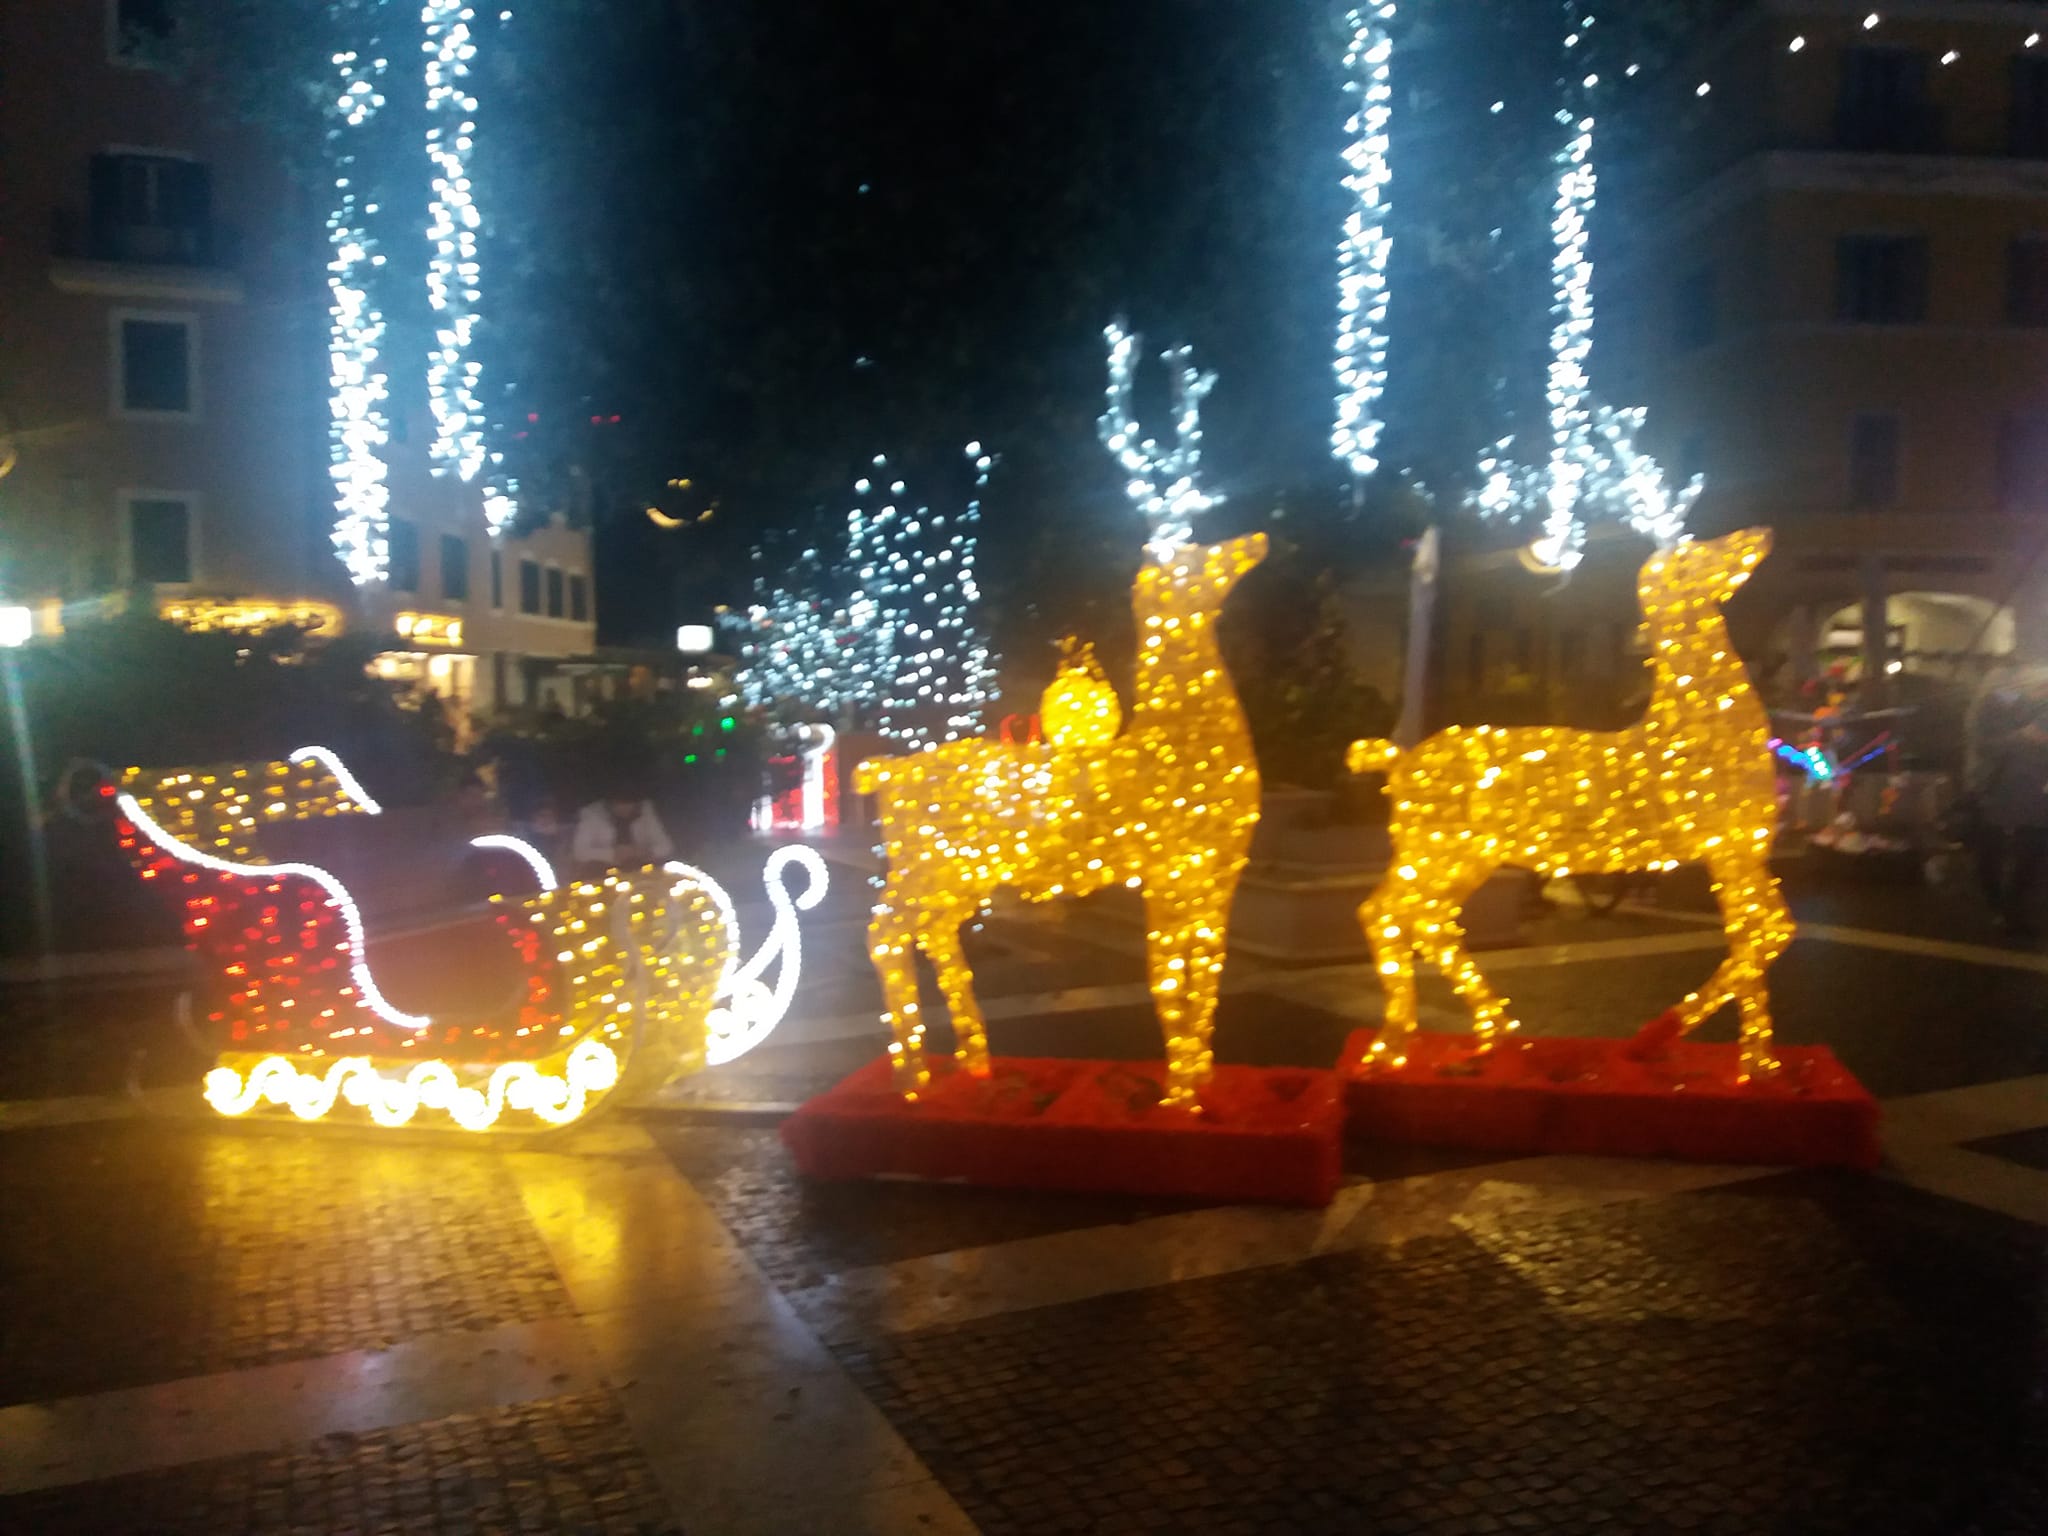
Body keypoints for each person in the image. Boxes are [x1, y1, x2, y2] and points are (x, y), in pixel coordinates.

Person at [1967, 671, 2048, 940]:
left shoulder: (2028, 704)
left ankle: (2011, 908)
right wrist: (2023, 736)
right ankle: (2003, 909)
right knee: (1997, 847)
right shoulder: (1990, 707)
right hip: (2000, 789)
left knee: (2031, 846)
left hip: (2032, 789)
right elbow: (1983, 747)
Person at [571, 788, 675, 875]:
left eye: (630, 804)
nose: (625, 808)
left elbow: (666, 846)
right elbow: (579, 852)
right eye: (620, 804)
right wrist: (613, 853)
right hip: (602, 870)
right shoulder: (591, 814)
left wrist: (646, 851)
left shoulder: (645, 810)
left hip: (641, 868)